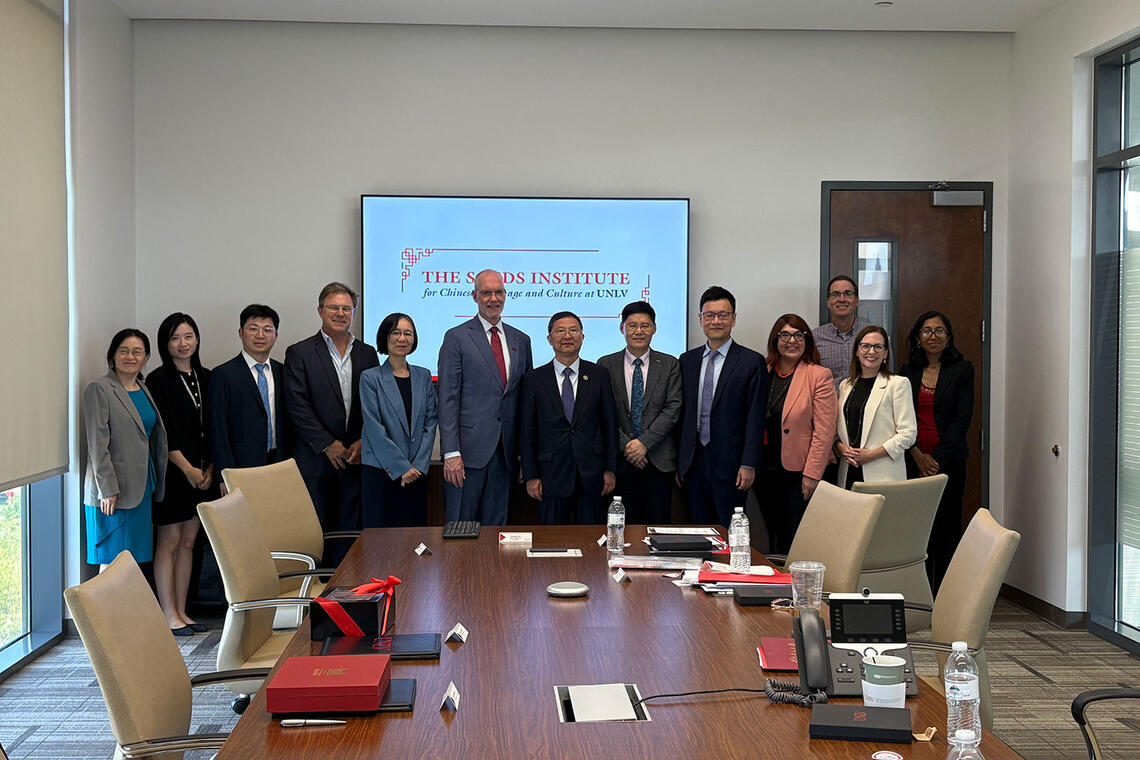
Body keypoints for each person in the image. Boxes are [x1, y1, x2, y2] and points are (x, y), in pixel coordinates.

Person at [284, 282, 379, 559]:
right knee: (315, 535)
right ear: (320, 310)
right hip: (316, 461)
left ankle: (347, 595)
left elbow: (372, 404)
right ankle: (317, 596)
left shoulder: (367, 353)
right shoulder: (299, 352)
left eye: (346, 308)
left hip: (354, 459)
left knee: (350, 536)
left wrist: (363, 439)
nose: (340, 313)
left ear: (354, 312)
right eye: (333, 307)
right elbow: (296, 405)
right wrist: (327, 444)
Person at [437, 269, 533, 525]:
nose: (493, 298)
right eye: (486, 292)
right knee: (460, 528)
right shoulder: (456, 337)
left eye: (499, 292)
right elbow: (447, 399)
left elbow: (525, 403)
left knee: (496, 532)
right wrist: (451, 453)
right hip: (466, 456)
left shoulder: (521, 340)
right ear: (475, 296)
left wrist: (525, 456)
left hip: (506, 455)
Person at [147, 313, 217, 635]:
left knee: (190, 541)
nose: (183, 343)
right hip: (174, 472)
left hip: (203, 473)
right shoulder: (158, 379)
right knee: (169, 541)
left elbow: (213, 428)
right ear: (165, 343)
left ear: (197, 339)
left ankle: (183, 610)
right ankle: (167, 613)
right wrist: (187, 469)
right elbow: (163, 433)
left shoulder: (206, 376)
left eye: (188, 336)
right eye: (175, 338)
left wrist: (208, 469)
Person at [677, 286, 767, 527]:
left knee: (730, 534)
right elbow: (681, 414)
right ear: (700, 319)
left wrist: (748, 464)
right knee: (697, 532)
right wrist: (680, 462)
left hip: (732, 464)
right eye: (709, 315)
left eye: (723, 315)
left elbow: (755, 418)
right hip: (693, 462)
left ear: (734, 319)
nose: (716, 321)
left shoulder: (751, 362)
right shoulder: (687, 361)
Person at [900, 310, 975, 592]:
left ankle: (943, 593)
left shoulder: (963, 369)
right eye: (927, 331)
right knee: (917, 530)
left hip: (949, 461)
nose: (933, 336)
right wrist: (917, 455)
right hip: (912, 459)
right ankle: (918, 592)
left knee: (947, 528)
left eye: (939, 331)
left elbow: (962, 419)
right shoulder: (907, 372)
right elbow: (900, 419)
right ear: (918, 339)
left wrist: (936, 460)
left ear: (949, 337)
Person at [519, 312, 618, 524]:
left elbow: (609, 425)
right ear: (549, 339)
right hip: (550, 476)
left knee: (592, 543)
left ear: (582, 337)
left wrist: (610, 469)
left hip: (592, 475)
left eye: (573, 330)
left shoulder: (599, 375)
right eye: (560, 331)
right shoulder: (534, 379)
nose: (567, 336)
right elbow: (527, 432)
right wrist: (531, 475)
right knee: (553, 543)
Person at [82, 330, 168, 572]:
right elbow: (97, 445)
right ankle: (103, 612)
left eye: (137, 351)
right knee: (112, 563)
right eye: (124, 351)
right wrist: (107, 489)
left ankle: (125, 611)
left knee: (131, 564)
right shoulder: (100, 388)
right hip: (113, 493)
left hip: (141, 489)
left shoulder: (142, 387)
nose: (130, 356)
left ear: (146, 357)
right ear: (112, 355)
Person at [755, 314, 837, 554]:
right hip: (764, 469)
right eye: (785, 335)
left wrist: (812, 475)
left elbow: (824, 432)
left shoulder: (818, 376)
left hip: (798, 473)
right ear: (775, 340)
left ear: (806, 340)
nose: (791, 341)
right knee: (770, 533)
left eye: (798, 335)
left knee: (794, 539)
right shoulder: (763, 370)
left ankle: (792, 589)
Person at [597, 301, 682, 525]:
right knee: (620, 529)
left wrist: (643, 443)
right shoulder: (605, 365)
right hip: (620, 462)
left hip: (658, 461)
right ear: (622, 328)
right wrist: (628, 445)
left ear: (654, 328)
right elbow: (602, 412)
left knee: (657, 528)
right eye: (632, 325)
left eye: (645, 325)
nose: (638, 331)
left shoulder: (670, 364)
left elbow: (673, 408)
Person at [360, 313, 438, 527]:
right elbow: (374, 428)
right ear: (385, 336)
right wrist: (402, 467)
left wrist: (418, 467)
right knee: (380, 544)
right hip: (381, 471)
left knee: (414, 541)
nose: (402, 338)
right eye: (396, 332)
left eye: (408, 333)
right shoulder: (370, 377)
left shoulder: (423, 376)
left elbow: (430, 423)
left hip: (416, 471)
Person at [208, 304, 289, 487]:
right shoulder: (223, 374)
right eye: (253, 329)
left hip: (280, 463)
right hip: (240, 467)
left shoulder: (284, 372)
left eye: (267, 330)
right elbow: (217, 430)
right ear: (240, 332)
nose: (260, 335)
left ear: (276, 335)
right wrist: (224, 476)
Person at [835, 326, 917, 489]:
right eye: (865, 346)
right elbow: (839, 429)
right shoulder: (846, 385)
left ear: (886, 353)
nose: (871, 351)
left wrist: (871, 455)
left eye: (878, 346)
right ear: (857, 352)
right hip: (848, 470)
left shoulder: (898, 384)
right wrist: (840, 447)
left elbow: (908, 434)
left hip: (882, 473)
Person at [813, 275, 869, 389]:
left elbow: (887, 377)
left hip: (867, 405)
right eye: (835, 294)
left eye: (848, 293)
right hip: (827, 405)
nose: (842, 299)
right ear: (828, 302)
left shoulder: (872, 335)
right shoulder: (814, 338)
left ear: (857, 300)